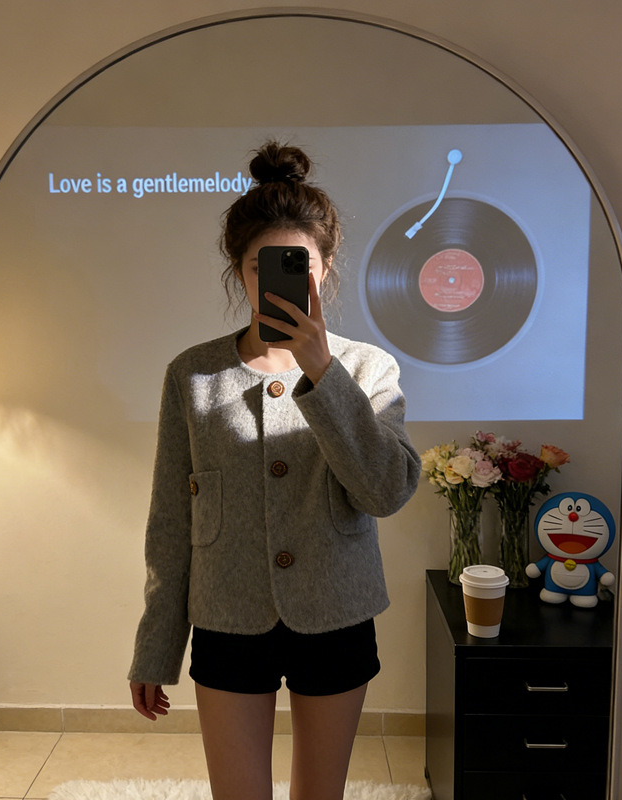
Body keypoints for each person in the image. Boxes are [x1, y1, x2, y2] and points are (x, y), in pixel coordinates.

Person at [128, 141, 421, 800]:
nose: (280, 281)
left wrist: (321, 370)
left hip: (336, 612)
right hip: (228, 618)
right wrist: (156, 644)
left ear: (325, 268)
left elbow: (385, 490)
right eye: (263, 266)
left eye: (299, 265)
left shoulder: (368, 368)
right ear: (239, 271)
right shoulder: (192, 374)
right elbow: (170, 521)